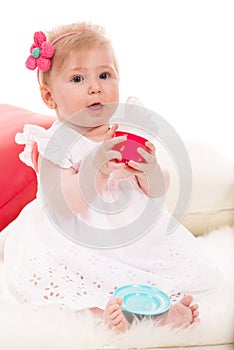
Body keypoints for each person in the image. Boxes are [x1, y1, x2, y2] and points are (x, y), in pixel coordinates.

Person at [0, 21, 222, 333]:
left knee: (156, 272)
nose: (95, 87)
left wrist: (150, 170)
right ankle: (101, 313)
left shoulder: (126, 129)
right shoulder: (55, 142)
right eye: (78, 78)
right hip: (73, 243)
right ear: (50, 98)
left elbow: (157, 192)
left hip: (132, 238)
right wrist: (95, 169)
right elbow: (64, 205)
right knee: (62, 284)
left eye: (105, 75)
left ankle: (162, 312)